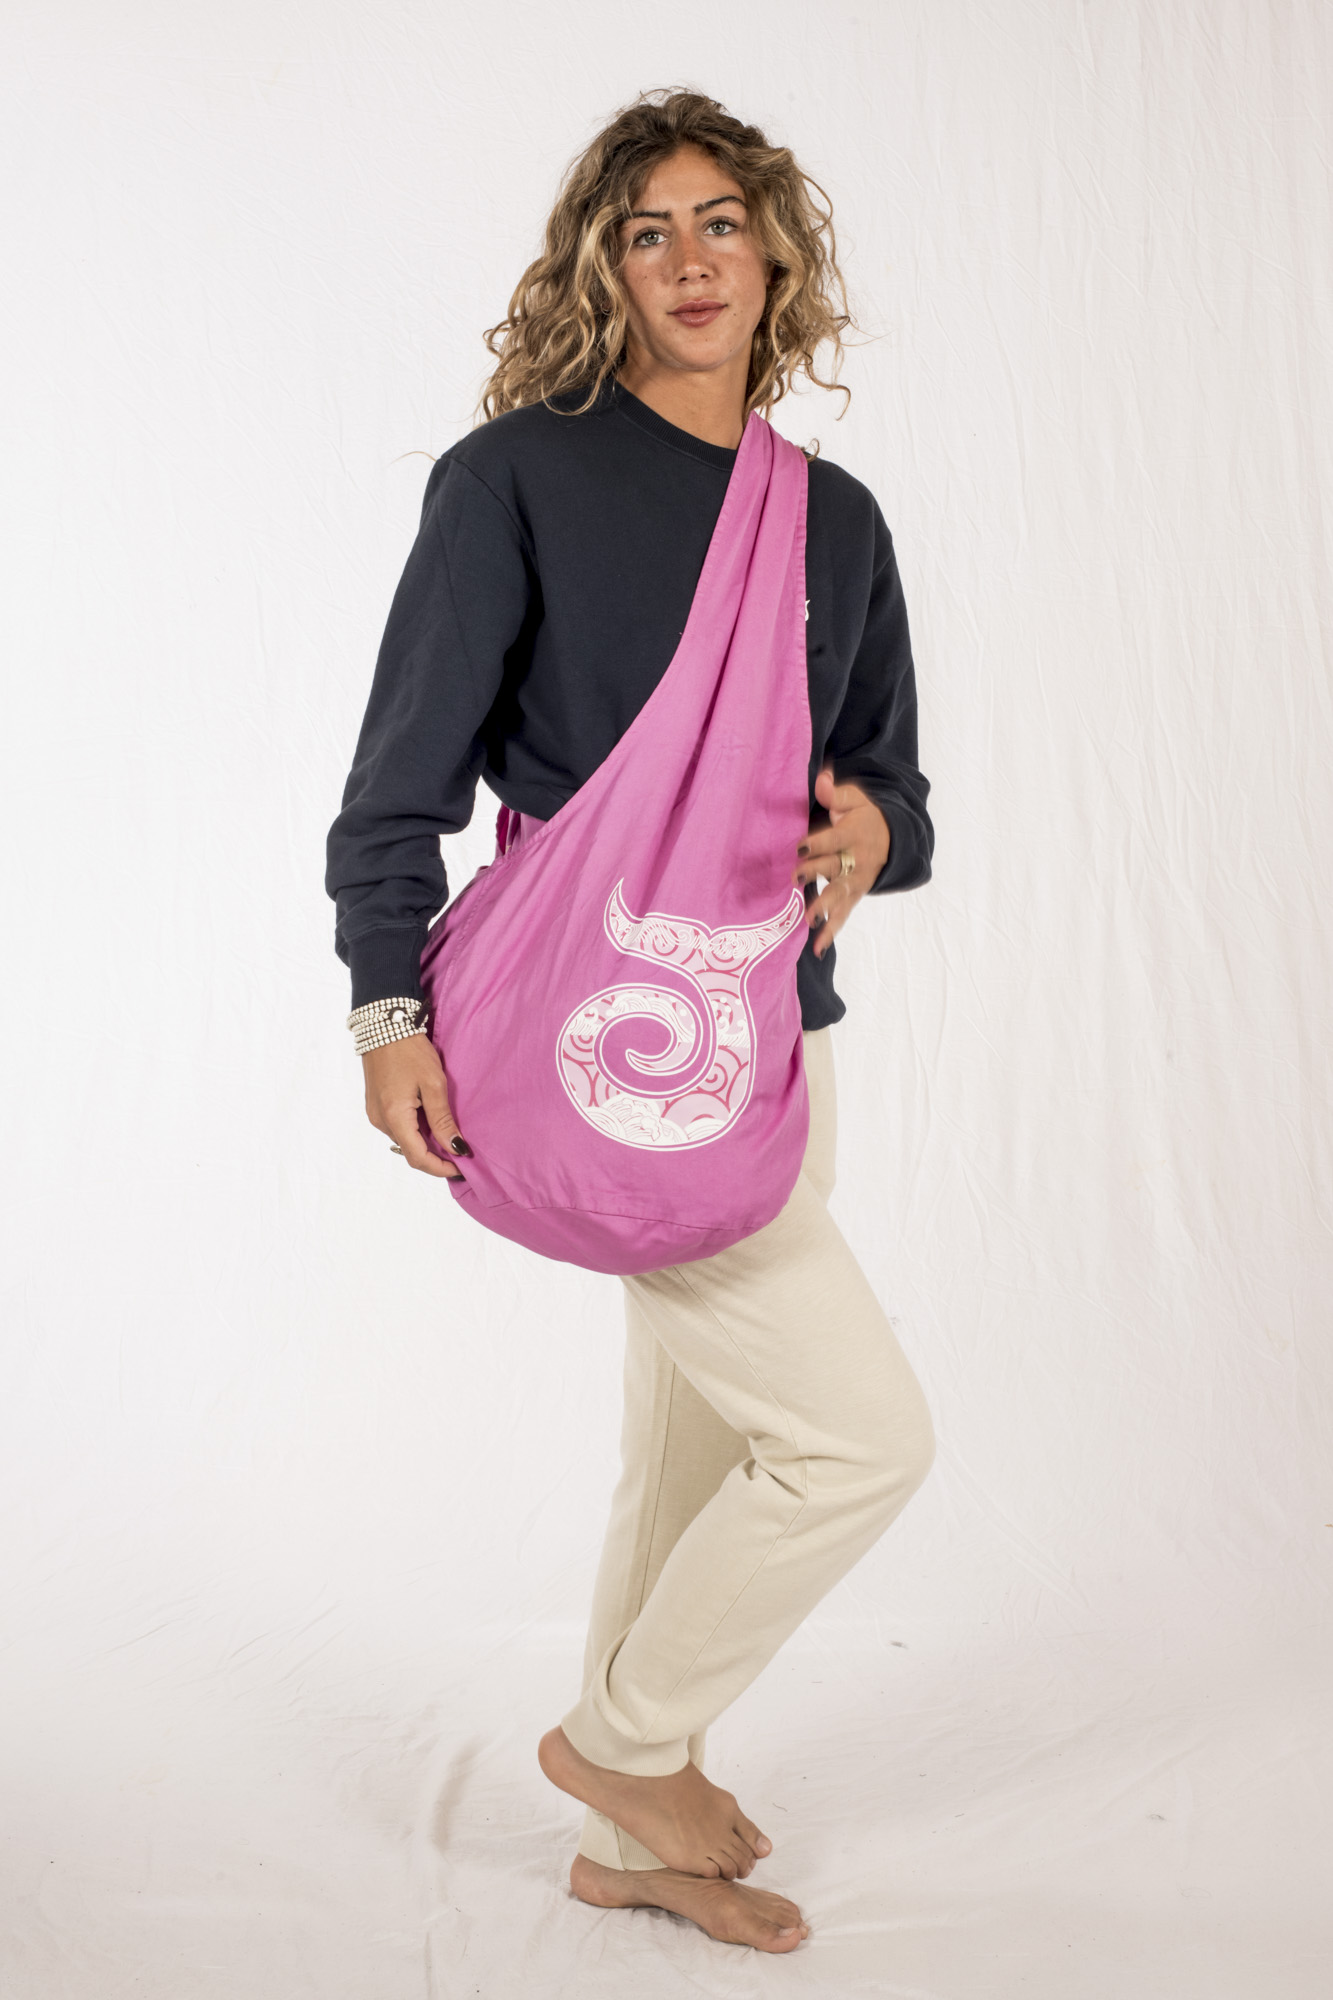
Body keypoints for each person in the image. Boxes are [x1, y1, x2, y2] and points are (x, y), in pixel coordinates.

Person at [325, 87, 937, 1956]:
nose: (690, 260)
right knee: (856, 1440)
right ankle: (621, 1742)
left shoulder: (831, 518)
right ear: (602, 268)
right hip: (609, 1053)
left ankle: (630, 1839)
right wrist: (385, 1007)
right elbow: (398, 783)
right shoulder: (513, 478)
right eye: (648, 229)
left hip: (777, 1031)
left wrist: (870, 829)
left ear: (775, 257)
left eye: (721, 222)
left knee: (685, 1456)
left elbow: (894, 787)